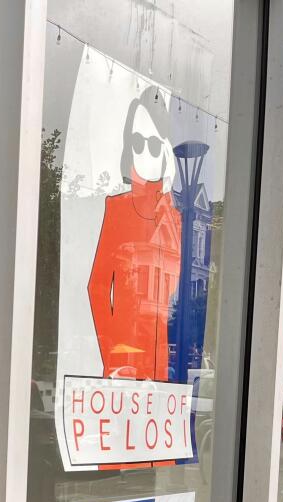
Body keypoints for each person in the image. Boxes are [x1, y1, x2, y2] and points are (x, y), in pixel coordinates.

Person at [86, 85, 183, 382]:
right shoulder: (118, 209)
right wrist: (113, 354)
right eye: (137, 142)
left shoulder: (174, 219)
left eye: (153, 145)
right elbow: (98, 287)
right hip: (124, 364)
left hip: (163, 366)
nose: (143, 153)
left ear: (166, 151)